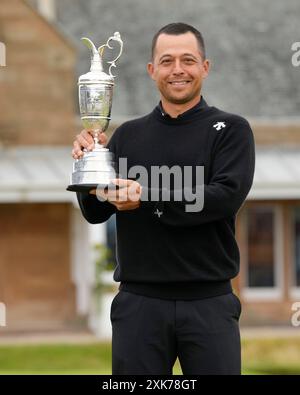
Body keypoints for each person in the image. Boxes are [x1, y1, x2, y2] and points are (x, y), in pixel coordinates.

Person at [72, 22, 255, 375]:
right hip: (139, 304)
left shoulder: (231, 130)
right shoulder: (127, 135)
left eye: (188, 60)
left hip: (209, 303)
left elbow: (222, 197)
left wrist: (146, 197)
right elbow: (96, 211)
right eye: (167, 61)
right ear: (152, 70)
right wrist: (86, 164)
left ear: (205, 66)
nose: (178, 70)